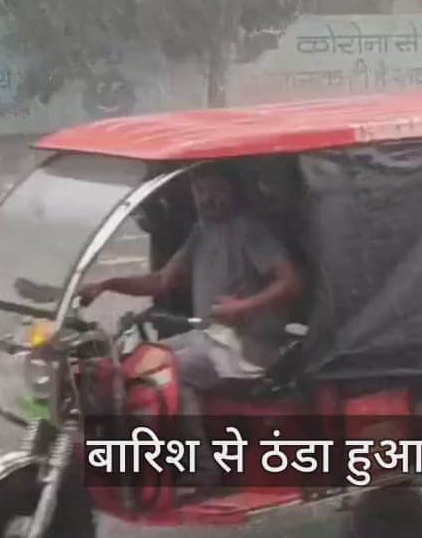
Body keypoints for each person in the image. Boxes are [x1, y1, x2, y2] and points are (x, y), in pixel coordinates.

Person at [77, 163, 305, 486]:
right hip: (211, 338)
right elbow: (160, 281)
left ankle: (201, 467)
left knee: (166, 371)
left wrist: (245, 306)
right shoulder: (202, 231)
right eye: (200, 191)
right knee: (133, 360)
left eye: (214, 190)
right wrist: (107, 284)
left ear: (234, 191)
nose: (206, 199)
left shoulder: (250, 230)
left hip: (248, 347)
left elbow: (291, 282)